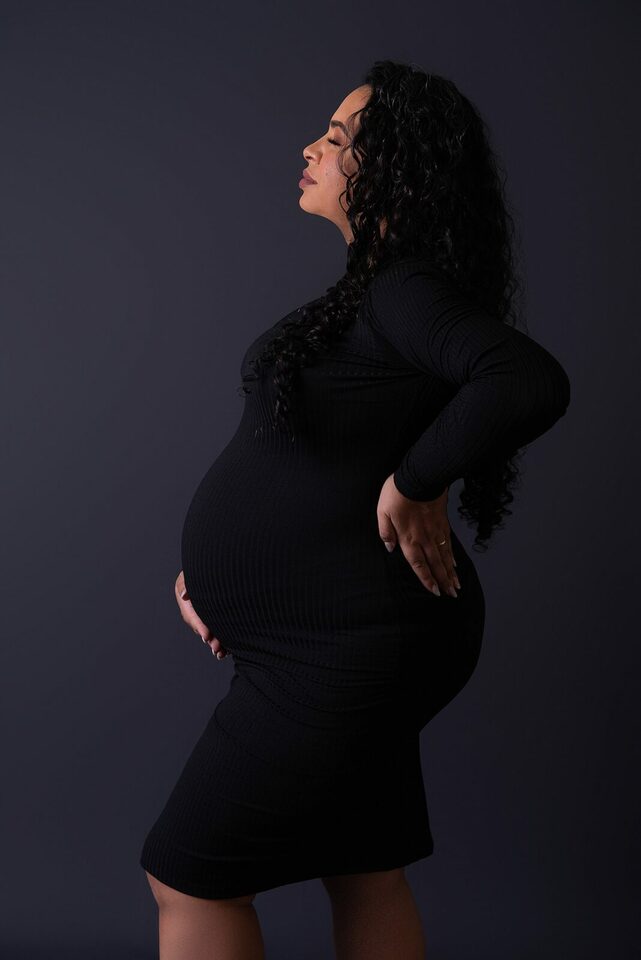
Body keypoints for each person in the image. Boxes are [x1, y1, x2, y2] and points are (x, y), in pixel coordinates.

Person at [139, 60, 571, 960]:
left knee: (189, 876)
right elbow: (308, 461)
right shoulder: (370, 292)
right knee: (363, 867)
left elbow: (525, 379)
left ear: (396, 173)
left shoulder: (402, 289)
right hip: (339, 633)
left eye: (336, 139)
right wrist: (212, 573)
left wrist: (416, 482)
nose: (310, 147)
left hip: (347, 644)